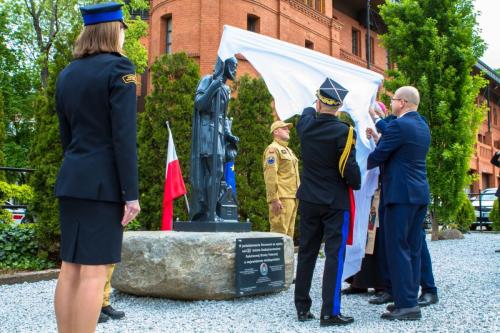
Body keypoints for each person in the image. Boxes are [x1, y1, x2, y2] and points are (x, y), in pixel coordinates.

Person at [54, 2, 140, 332]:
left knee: (70, 267)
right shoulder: (120, 70)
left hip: (73, 180)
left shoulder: (67, 74)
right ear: (113, 30)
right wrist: (130, 194)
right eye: (122, 28)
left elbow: (67, 137)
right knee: (94, 270)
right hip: (103, 186)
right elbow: (124, 137)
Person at [294, 78, 361, 327]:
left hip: (309, 199)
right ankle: (329, 313)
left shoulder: (306, 126)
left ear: (320, 102)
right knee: (334, 256)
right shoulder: (344, 131)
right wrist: (357, 182)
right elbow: (348, 169)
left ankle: (301, 307)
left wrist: (315, 105)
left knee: (307, 254)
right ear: (340, 106)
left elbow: (308, 111)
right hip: (334, 202)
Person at [367, 86, 430, 321]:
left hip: (400, 195)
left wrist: (357, 166)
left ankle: (407, 305)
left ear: (401, 102)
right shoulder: (421, 125)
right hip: (418, 194)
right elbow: (393, 140)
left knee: (398, 249)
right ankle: (409, 300)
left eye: (393, 99)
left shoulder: (401, 125)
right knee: (412, 248)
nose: (391, 102)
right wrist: (378, 123)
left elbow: (379, 155)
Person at [189, 57, 239, 221]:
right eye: (233, 65)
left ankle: (213, 212)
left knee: (218, 173)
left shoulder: (226, 89)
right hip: (207, 132)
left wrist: (228, 133)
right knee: (215, 170)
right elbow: (199, 104)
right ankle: (209, 214)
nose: (236, 68)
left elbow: (223, 116)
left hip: (218, 133)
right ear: (224, 65)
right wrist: (214, 85)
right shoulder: (207, 80)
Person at [262, 120, 300, 238]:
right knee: (278, 235)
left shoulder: (289, 151)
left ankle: (286, 257)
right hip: (281, 198)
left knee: (288, 236)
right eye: (284, 128)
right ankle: (276, 257)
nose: (288, 130)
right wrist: (274, 198)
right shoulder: (273, 150)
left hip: (292, 196)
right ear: (276, 131)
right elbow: (270, 175)